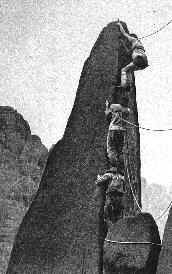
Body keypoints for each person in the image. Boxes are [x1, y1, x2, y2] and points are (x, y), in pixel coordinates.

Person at [117, 21, 148, 87]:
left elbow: (124, 33)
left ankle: (123, 85)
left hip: (139, 59)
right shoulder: (139, 45)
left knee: (123, 70)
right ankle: (129, 85)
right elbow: (129, 52)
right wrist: (122, 43)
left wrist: (120, 25)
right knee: (129, 70)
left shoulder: (133, 39)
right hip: (144, 62)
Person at [105, 100, 130, 175]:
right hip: (122, 131)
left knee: (111, 148)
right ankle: (120, 168)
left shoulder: (113, 106)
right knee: (120, 150)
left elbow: (107, 115)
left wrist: (107, 106)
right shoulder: (127, 110)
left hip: (113, 129)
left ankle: (114, 167)